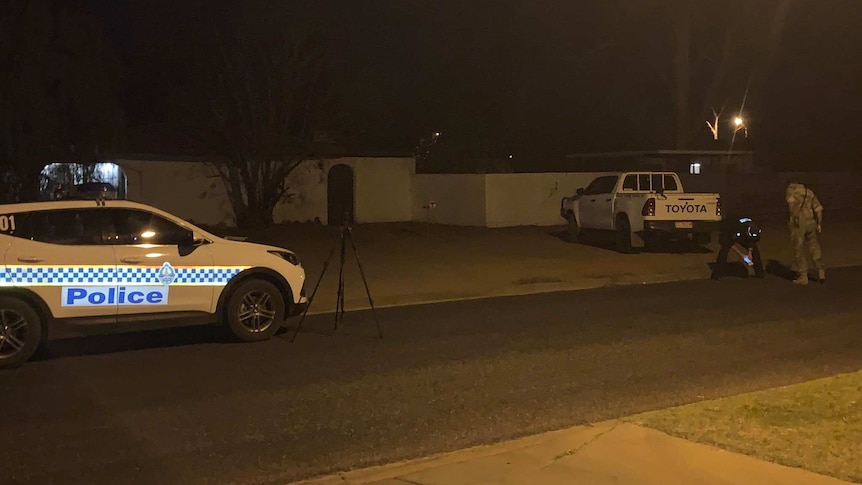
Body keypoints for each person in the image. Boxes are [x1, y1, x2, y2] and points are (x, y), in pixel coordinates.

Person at [785, 178, 825, 285]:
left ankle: (803, 276)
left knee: (798, 248)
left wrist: (794, 219)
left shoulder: (791, 191)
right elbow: (818, 209)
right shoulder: (809, 192)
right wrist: (819, 223)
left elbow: (791, 206)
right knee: (814, 246)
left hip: (799, 223)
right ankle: (821, 271)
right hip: (811, 221)